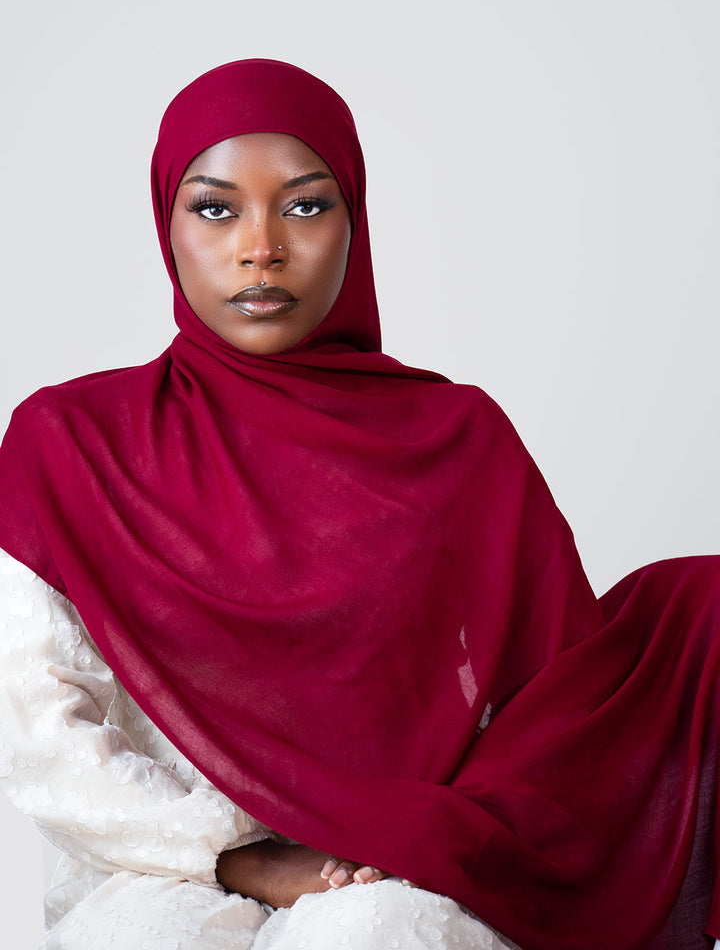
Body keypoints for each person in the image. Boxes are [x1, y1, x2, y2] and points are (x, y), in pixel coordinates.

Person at [0, 59, 718, 950]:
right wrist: (236, 856)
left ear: (356, 222)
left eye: (304, 205)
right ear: (165, 222)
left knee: (375, 935)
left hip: (400, 866)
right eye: (215, 207)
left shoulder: (456, 437)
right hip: (158, 861)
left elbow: (550, 705)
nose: (259, 246)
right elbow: (40, 731)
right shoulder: (71, 444)